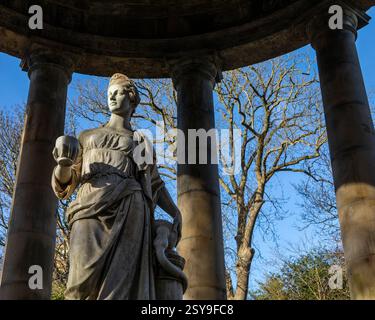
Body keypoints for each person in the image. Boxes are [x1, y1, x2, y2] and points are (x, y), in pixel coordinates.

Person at [52, 73, 182, 300]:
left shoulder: (140, 141)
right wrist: (63, 164)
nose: (111, 97)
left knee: (122, 285)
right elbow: (66, 183)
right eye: (109, 94)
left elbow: (155, 184)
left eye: (117, 92)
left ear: (131, 98)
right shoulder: (87, 136)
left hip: (130, 208)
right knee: (78, 284)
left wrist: (175, 211)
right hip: (88, 205)